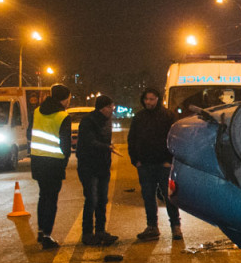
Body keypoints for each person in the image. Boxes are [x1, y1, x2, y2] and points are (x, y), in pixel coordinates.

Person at [127, 86, 182, 241]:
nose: (148, 102)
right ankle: (152, 226)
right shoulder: (139, 117)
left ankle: (176, 227)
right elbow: (132, 139)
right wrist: (136, 160)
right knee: (148, 196)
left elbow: (174, 138)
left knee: (169, 197)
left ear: (157, 99)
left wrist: (169, 160)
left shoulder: (167, 116)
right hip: (145, 164)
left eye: (151, 99)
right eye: (146, 99)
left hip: (163, 165)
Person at [29, 84, 72, 249]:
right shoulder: (62, 116)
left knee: (43, 196)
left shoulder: (37, 112)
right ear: (64, 98)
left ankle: (41, 231)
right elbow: (65, 144)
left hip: (38, 161)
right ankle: (47, 236)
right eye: (68, 98)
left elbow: (29, 134)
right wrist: (64, 161)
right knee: (51, 199)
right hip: (54, 163)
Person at [76, 95, 119, 246]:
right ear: (102, 108)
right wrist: (106, 147)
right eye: (110, 107)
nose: (112, 110)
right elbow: (89, 141)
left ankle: (101, 231)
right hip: (88, 166)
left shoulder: (108, 120)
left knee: (102, 199)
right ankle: (87, 233)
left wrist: (107, 150)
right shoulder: (88, 121)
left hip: (103, 165)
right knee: (91, 199)